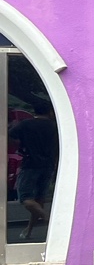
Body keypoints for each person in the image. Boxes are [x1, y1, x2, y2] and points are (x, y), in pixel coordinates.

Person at [9, 103, 57, 241]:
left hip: (30, 164)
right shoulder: (54, 126)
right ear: (49, 112)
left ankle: (47, 218)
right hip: (48, 165)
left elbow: (9, 136)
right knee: (39, 198)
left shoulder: (26, 124)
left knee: (25, 198)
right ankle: (29, 230)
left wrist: (19, 144)